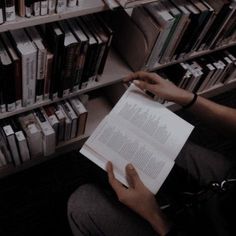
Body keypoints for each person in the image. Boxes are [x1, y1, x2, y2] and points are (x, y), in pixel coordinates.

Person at [67, 71, 236, 236]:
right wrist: (186, 97)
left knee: (83, 203)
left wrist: (156, 217)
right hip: (229, 182)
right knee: (170, 145)